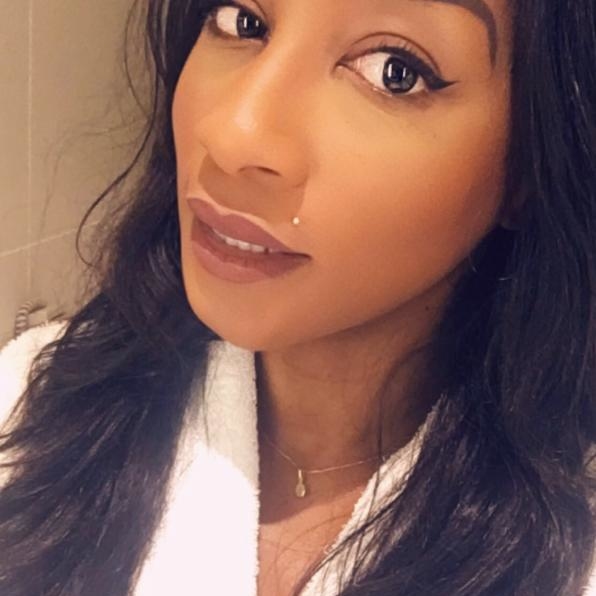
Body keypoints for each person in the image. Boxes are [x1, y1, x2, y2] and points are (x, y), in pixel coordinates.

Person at [0, 0, 595, 594]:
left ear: (528, 167)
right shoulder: (30, 401)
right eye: (244, 21)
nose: (234, 134)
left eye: (394, 71)